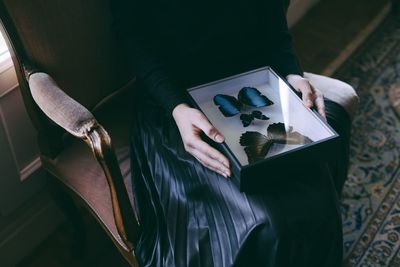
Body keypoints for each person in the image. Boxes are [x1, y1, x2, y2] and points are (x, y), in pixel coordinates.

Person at [111, 0, 358, 266]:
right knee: (269, 222)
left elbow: (273, 21)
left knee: (319, 177)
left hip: (253, 82)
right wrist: (177, 108)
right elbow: (135, 40)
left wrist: (291, 74)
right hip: (178, 102)